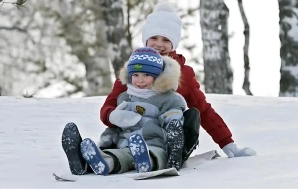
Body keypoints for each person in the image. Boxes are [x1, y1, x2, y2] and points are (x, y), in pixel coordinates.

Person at [99, 1, 256, 167]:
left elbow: (204, 111)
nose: (159, 44)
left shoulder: (183, 73)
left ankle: (171, 152)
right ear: (146, 38)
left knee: (192, 114)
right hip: (133, 133)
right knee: (117, 141)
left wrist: (227, 142)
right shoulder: (133, 68)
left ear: (174, 43)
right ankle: (101, 160)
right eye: (154, 38)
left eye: (166, 40)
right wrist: (112, 115)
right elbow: (111, 103)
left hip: (163, 136)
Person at [62, 47, 187, 175]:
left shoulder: (168, 98)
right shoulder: (125, 98)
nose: (140, 80)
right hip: (126, 145)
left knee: (157, 155)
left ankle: (146, 161)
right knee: (118, 156)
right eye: (136, 75)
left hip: (156, 144)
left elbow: (173, 120)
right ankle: (97, 163)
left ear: (157, 75)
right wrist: (107, 139)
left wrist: (174, 127)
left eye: (146, 75)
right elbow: (117, 127)